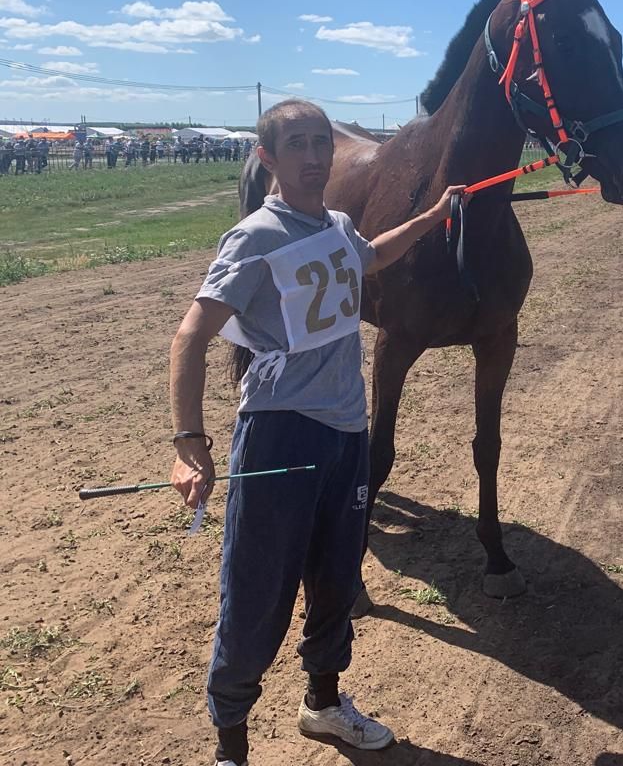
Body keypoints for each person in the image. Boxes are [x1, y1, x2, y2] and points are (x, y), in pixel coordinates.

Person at [168, 98, 467, 766]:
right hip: (280, 439)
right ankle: (231, 744)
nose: (313, 157)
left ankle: (324, 705)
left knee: (336, 581)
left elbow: (367, 258)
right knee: (257, 592)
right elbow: (191, 336)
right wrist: (190, 443)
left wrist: (430, 218)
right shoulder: (255, 238)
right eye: (296, 145)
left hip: (344, 433)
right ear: (268, 158)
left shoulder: (334, 224)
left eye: (319, 144)